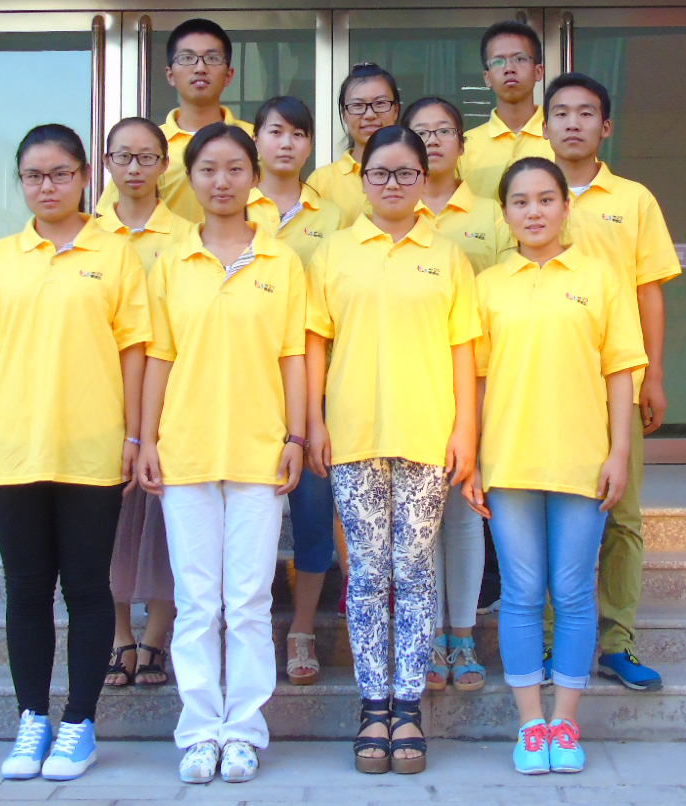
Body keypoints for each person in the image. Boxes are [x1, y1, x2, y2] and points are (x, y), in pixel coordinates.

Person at [0, 124, 151, 782]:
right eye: (34, 175)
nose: (48, 186)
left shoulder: (116, 254)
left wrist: (133, 437)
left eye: (61, 173)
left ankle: (79, 723)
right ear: (22, 183)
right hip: (13, 451)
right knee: (27, 590)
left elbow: (135, 352)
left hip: (91, 451)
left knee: (88, 589)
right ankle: (31, 717)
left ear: (85, 176)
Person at [136, 122, 307, 785]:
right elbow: (158, 357)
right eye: (207, 169)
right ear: (191, 178)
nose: (222, 181)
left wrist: (295, 437)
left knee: (250, 600)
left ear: (255, 177)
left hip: (259, 451)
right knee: (197, 602)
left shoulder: (281, 263)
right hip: (185, 451)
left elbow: (293, 356)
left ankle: (243, 731)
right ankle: (199, 730)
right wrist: (146, 439)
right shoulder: (172, 262)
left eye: (236, 168)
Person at [464, 157, 646, 775]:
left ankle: (565, 722)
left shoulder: (601, 278)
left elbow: (620, 370)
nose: (534, 211)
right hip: (509, 461)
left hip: (582, 461)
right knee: (520, 594)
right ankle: (529, 725)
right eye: (520, 201)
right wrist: (474, 459)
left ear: (567, 208)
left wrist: (618, 453)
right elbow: (477, 380)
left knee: (571, 592)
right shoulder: (488, 286)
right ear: (505, 213)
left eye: (546, 199)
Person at [306, 125, 479, 775]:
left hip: (426, 434)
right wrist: (313, 422)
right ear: (361, 178)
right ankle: (371, 705)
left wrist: (465, 432)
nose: (393, 183)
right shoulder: (334, 253)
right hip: (352, 436)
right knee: (367, 575)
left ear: (423, 178)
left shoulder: (449, 255)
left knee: (414, 573)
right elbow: (314, 344)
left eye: (406, 172)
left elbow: (464, 350)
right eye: (380, 172)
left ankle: (408, 705)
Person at [541, 72, 682, 692]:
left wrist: (654, 374)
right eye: (561, 112)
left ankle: (617, 641)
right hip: (543, 382)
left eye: (585, 113)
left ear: (606, 126)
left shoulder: (634, 199)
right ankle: (550, 640)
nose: (572, 122)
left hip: (616, 381)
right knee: (550, 510)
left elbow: (649, 291)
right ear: (545, 125)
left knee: (621, 515)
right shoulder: (527, 191)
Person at [399, 96, 513, 694]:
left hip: (477, 377)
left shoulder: (491, 216)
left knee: (465, 515)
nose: (433, 140)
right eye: (421, 132)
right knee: (421, 522)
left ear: (462, 145)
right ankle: (428, 638)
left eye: (444, 130)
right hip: (410, 384)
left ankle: (462, 634)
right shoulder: (393, 212)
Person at [96, 117, 196, 689]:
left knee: (163, 521)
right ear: (107, 163)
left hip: (170, 392)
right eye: (123, 157)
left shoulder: (185, 236)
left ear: (164, 165)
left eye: (146, 158)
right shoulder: (88, 233)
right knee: (107, 522)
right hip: (101, 393)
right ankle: (119, 637)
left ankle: (156, 636)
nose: (134, 169)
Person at [249, 95, 343, 686]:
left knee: (312, 509)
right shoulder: (234, 205)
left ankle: (302, 628)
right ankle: (246, 625)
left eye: (299, 134)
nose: (286, 143)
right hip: (240, 384)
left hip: (311, 382)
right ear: (256, 139)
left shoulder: (332, 217)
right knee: (245, 515)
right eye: (275, 132)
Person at [96, 18, 254, 223]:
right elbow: (111, 223)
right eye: (187, 58)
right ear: (170, 75)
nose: (200, 68)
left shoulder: (257, 140)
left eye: (212, 58)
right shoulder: (147, 146)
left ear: (229, 75)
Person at [461, 20, 555, 201]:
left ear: (538, 71)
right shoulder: (465, 146)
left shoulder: (561, 137)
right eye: (498, 61)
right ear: (487, 78)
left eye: (519, 59)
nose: (509, 69)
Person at [308, 63, 401, 228]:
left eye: (380, 103)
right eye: (358, 105)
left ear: (396, 110)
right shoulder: (321, 181)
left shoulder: (414, 175)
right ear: (344, 114)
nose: (370, 114)